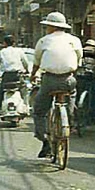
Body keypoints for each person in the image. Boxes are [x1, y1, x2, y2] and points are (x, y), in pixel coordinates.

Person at [31, 12, 83, 158]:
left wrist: (33, 74)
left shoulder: (43, 41)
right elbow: (79, 59)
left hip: (49, 81)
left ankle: (45, 140)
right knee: (72, 94)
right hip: (68, 79)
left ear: (51, 27)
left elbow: (36, 62)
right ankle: (70, 117)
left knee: (39, 111)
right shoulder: (74, 40)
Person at [0, 35, 29, 124]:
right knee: (25, 92)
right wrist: (27, 70)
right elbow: (25, 62)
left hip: (6, 76)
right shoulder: (19, 51)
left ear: (4, 43)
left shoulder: (2, 52)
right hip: (17, 76)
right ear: (14, 43)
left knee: (0, 95)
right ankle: (26, 108)